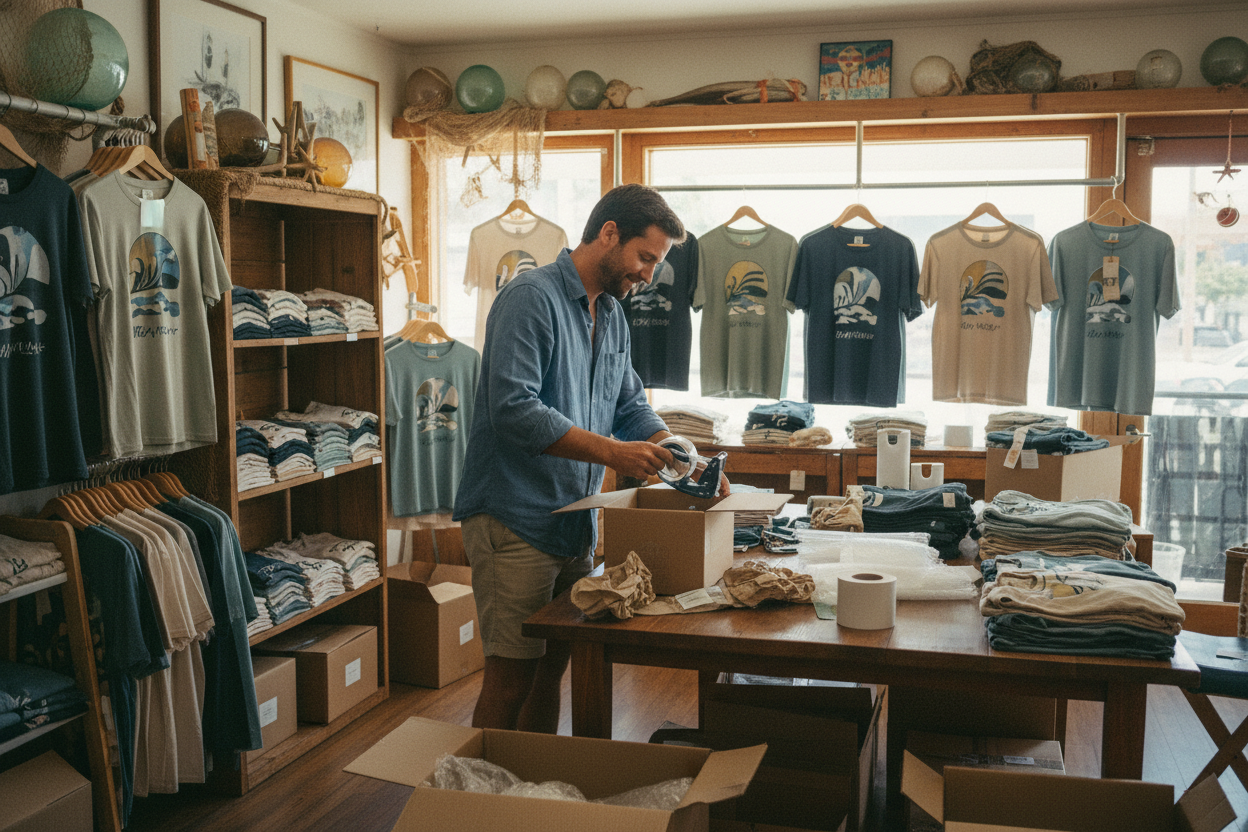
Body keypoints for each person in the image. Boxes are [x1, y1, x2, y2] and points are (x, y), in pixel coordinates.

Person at [453, 183, 728, 732]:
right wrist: (615, 454)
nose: (650, 275)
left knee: (549, 672)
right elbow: (513, 408)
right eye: (645, 257)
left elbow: (627, 404)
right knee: (510, 680)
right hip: (514, 519)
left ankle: (531, 799)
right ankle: (479, 803)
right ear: (608, 235)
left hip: (573, 522)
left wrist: (680, 455)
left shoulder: (614, 315)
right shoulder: (530, 298)